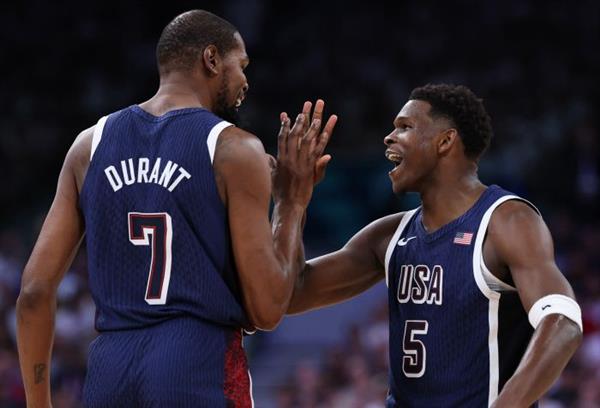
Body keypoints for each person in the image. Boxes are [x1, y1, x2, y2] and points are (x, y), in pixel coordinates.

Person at [16, 10, 336, 407]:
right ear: (212, 59)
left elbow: (33, 291)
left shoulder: (88, 146)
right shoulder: (235, 149)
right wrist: (291, 202)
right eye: (241, 65)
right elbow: (268, 309)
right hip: (196, 362)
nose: (245, 81)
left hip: (110, 371)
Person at [287, 84, 583, 407]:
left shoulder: (505, 221)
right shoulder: (389, 236)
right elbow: (290, 294)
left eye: (405, 126)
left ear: (445, 141)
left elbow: (563, 322)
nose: (388, 137)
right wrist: (292, 201)